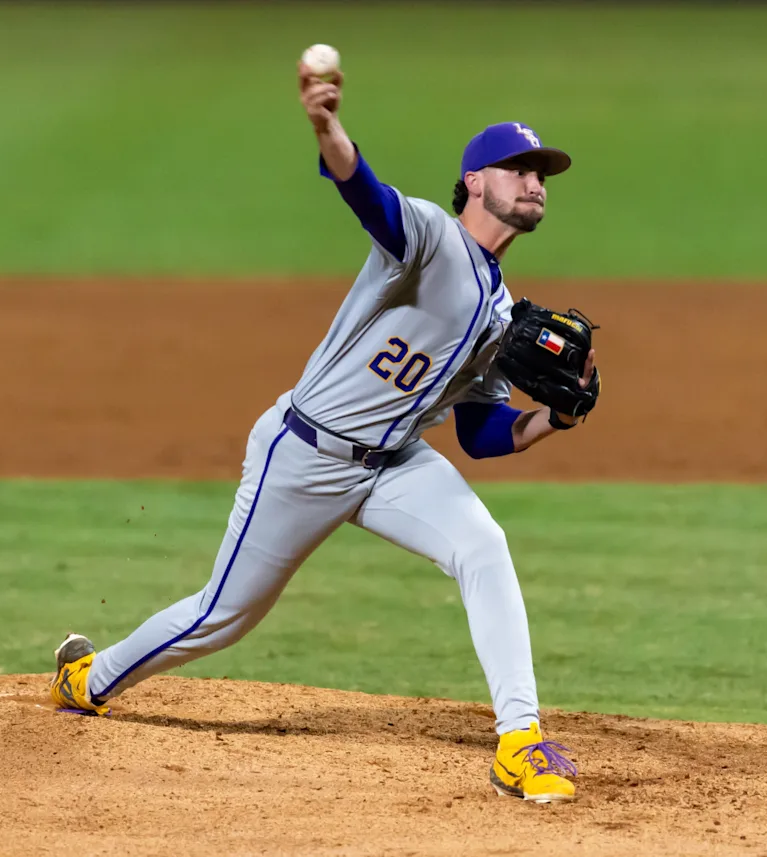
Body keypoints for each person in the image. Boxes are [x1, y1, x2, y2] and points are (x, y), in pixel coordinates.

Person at [49, 61, 597, 804]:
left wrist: (555, 419)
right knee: (222, 616)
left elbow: (479, 431)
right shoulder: (428, 236)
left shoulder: (503, 314)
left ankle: (519, 742)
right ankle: (87, 680)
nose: (536, 182)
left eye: (542, 174)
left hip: (396, 463)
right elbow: (364, 192)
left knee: (483, 546)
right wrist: (326, 125)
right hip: (305, 454)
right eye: (519, 168)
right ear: (474, 181)